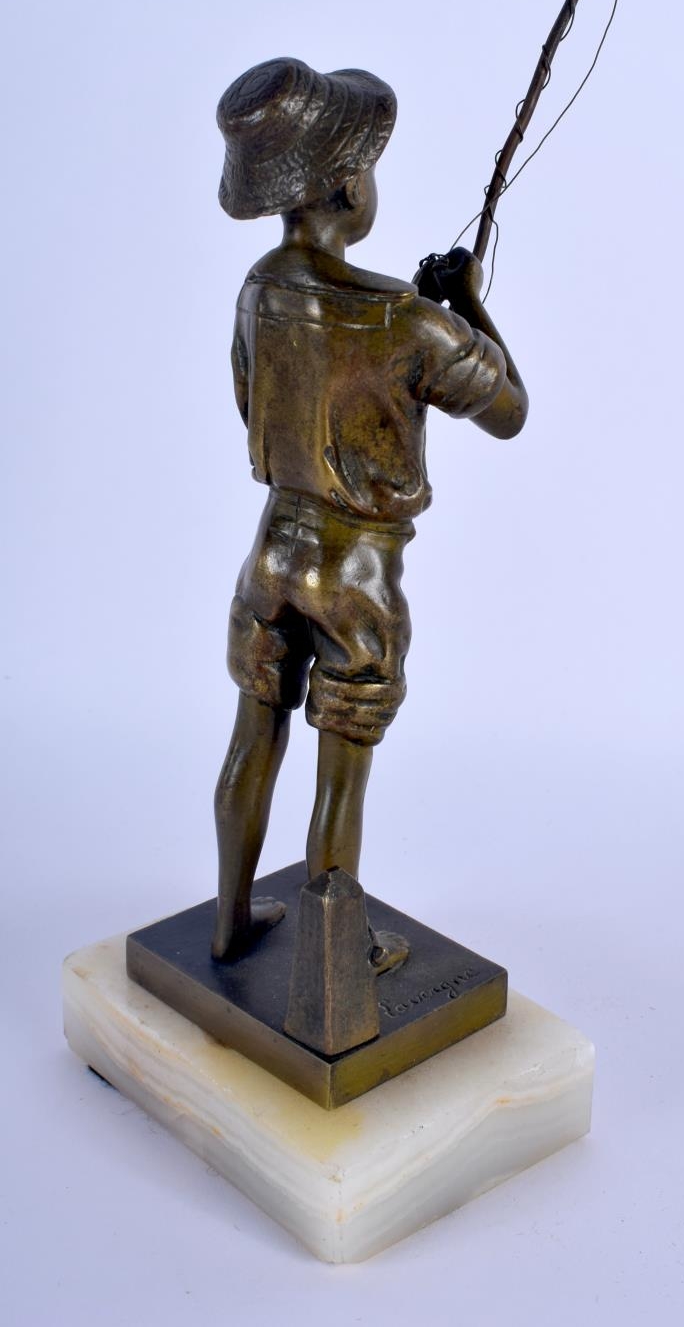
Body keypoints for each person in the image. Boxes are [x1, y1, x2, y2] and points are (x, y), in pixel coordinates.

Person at [211, 57, 528, 963]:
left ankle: (230, 926)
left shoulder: (258, 290)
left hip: (269, 555)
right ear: (351, 184)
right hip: (356, 577)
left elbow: (251, 401)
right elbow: (509, 412)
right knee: (340, 770)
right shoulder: (405, 321)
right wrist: (468, 309)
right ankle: (331, 965)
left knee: (253, 733)